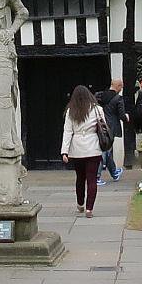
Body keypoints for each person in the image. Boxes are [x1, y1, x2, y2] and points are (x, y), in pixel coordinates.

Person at [60, 85, 107, 218]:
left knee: (80, 178)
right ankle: (89, 209)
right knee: (92, 179)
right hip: (93, 147)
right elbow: (103, 127)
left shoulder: (71, 111)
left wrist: (65, 151)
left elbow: (68, 132)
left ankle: (80, 204)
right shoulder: (98, 109)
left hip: (77, 149)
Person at [95, 79, 128, 181]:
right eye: (121, 87)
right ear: (118, 86)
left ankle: (114, 172)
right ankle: (97, 176)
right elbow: (122, 115)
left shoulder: (99, 96)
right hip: (111, 127)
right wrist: (126, 117)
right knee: (105, 151)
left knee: (107, 151)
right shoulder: (118, 99)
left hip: (100, 125)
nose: (121, 89)